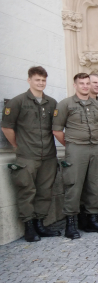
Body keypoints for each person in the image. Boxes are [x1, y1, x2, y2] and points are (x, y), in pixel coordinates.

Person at [2, 66, 60, 241]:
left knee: (45, 191)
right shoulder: (17, 102)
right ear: (29, 80)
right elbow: (7, 127)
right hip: (27, 155)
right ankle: (29, 227)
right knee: (27, 191)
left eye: (43, 80)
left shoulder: (51, 103)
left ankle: (39, 224)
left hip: (48, 155)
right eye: (37, 80)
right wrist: (17, 145)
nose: (41, 83)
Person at [52, 73, 98, 238]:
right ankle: (71, 223)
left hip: (96, 148)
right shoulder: (65, 104)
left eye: (87, 83)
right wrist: (71, 145)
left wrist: (91, 141)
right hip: (76, 149)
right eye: (81, 83)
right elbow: (57, 130)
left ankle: (92, 219)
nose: (85, 86)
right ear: (75, 85)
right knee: (74, 185)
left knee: (95, 184)